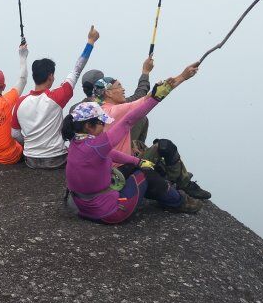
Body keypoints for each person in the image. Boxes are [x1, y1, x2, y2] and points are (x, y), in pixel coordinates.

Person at [63, 73, 202, 224]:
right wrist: (157, 97)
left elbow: (110, 153)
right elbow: (129, 121)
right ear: (88, 126)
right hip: (111, 212)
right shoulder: (98, 144)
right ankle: (178, 202)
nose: (104, 126)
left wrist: (137, 161)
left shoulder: (77, 142)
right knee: (145, 174)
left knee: (136, 167)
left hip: (84, 209)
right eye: (101, 123)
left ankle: (170, 193)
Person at [94, 72, 211, 200]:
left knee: (140, 146)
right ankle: (184, 184)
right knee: (165, 146)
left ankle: (174, 177)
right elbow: (149, 99)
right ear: (108, 93)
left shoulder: (98, 110)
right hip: (121, 170)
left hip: (108, 170)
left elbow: (146, 97)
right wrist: (183, 76)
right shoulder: (115, 111)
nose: (123, 89)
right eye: (119, 86)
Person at [11, 25, 99, 169]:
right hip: (56, 159)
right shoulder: (56, 97)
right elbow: (77, 70)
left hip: (30, 160)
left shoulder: (20, 102)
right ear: (51, 76)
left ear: (34, 77)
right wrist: (90, 41)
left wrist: (30, 144)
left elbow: (15, 134)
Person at [70, 55, 153, 145]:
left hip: (82, 153)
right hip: (113, 153)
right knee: (141, 117)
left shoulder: (75, 109)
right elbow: (140, 96)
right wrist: (145, 72)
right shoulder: (118, 107)